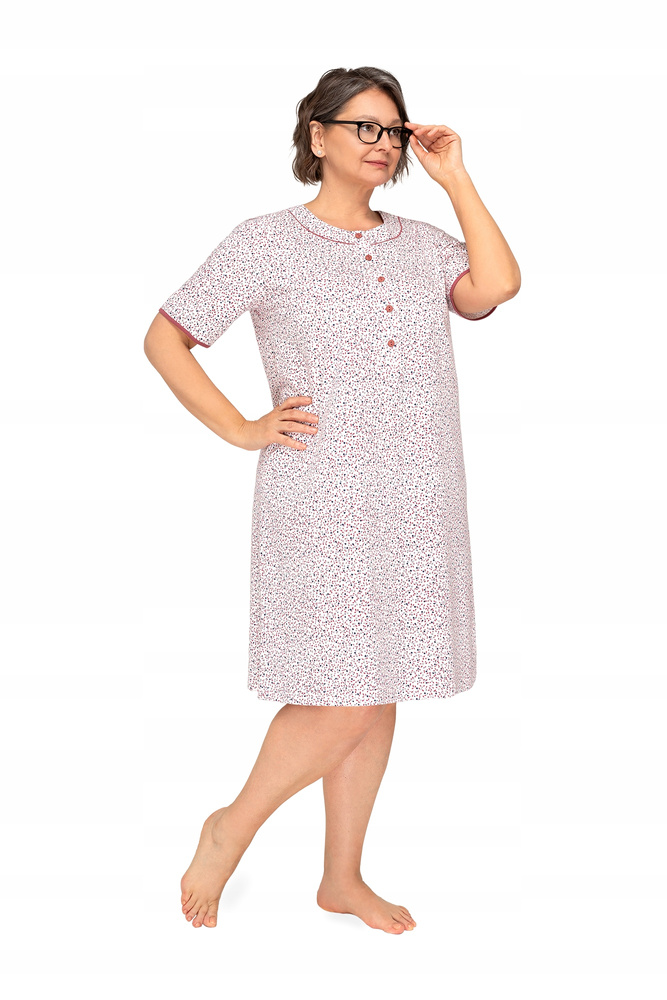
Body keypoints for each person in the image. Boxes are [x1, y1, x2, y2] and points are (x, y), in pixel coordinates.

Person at [143, 65, 521, 935]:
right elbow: (165, 337)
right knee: (341, 690)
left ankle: (341, 877)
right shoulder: (265, 242)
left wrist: (455, 177)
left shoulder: (424, 244)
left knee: (379, 686)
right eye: (363, 126)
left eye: (393, 130)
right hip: (321, 499)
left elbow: (496, 286)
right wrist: (240, 427)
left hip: (419, 496)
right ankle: (230, 826)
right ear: (317, 135)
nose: (382, 144)